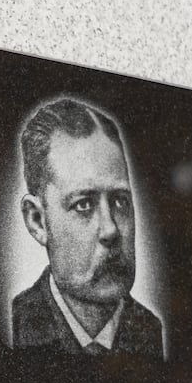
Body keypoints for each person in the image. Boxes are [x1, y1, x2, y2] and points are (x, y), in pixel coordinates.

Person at [11, 97, 163, 358]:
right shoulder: (18, 324)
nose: (110, 230)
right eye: (83, 205)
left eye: (119, 201)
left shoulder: (149, 331)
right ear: (37, 221)